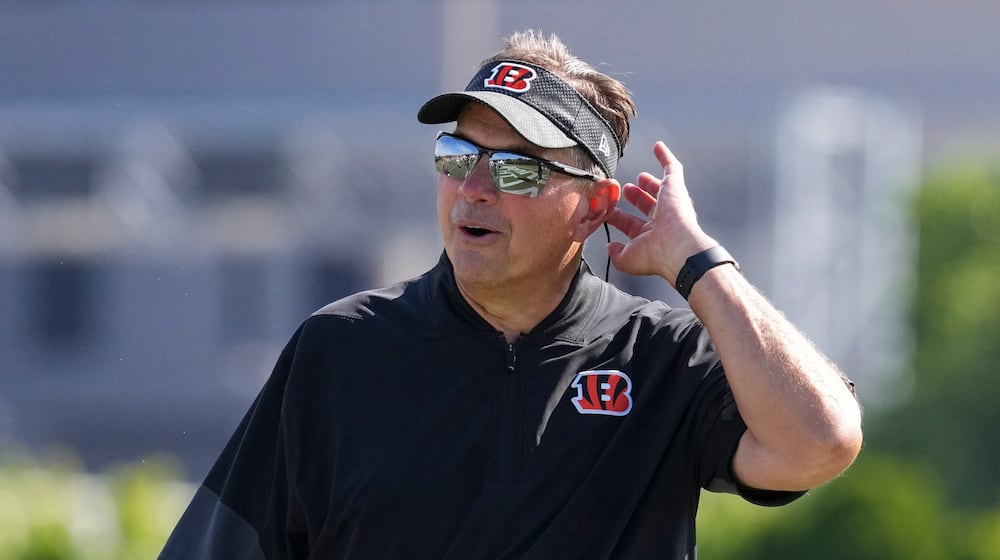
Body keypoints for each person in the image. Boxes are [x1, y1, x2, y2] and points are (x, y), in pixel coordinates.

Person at [159, 30, 862, 559]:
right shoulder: (341, 349)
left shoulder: (664, 359)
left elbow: (821, 442)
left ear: (594, 209)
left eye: (518, 171)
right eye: (459, 157)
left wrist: (700, 266)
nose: (474, 190)